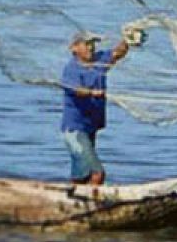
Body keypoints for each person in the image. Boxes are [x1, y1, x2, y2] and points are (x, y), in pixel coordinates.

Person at [60, 27, 144, 185]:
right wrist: (92, 93)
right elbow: (75, 90)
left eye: (93, 44)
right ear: (75, 48)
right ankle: (90, 204)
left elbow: (117, 54)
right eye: (87, 44)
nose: (91, 47)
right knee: (97, 173)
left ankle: (70, 199)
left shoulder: (99, 61)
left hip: (90, 127)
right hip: (74, 130)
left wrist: (128, 40)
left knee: (81, 175)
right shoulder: (72, 68)